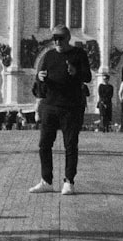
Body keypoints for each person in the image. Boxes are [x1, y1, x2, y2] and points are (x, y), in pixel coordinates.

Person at [29, 25, 92, 196]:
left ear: (68, 38)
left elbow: (87, 77)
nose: (57, 42)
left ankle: (69, 181)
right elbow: (40, 77)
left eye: (60, 38)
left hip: (71, 107)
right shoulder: (49, 55)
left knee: (70, 145)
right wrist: (40, 77)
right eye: (54, 39)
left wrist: (75, 72)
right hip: (50, 105)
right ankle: (46, 180)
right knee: (44, 144)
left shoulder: (79, 54)